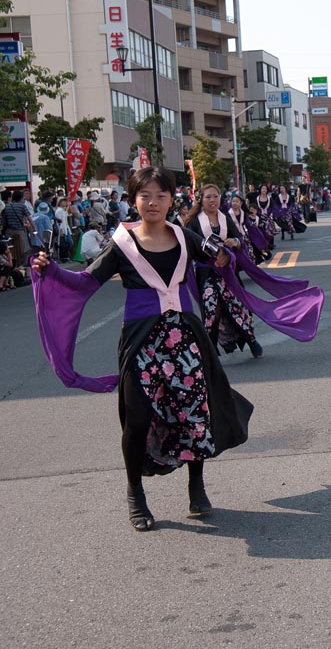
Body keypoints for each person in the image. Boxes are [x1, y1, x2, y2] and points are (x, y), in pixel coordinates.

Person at [30, 165, 255, 531]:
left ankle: (196, 485)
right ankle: (135, 493)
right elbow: (84, 283)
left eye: (160, 195)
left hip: (185, 337)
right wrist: (50, 271)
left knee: (193, 413)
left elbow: (219, 258)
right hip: (142, 341)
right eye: (145, 196)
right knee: (136, 420)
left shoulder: (184, 236)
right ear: (134, 200)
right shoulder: (121, 245)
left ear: (171, 199)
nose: (153, 202)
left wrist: (225, 255)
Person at [187, 184, 264, 357]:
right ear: (201, 199)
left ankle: (251, 340)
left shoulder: (224, 218)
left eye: (215, 196)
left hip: (227, 272)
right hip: (206, 272)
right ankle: (211, 348)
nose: (212, 200)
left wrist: (234, 242)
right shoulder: (193, 221)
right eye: (208, 197)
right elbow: (188, 246)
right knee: (211, 309)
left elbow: (239, 239)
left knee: (238, 306)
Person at [1, 190, 35, 266]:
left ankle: (13, 265)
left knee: (11, 249)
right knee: (21, 250)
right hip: (19, 231)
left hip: (8, 231)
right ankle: (21, 265)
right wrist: (34, 229)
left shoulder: (6, 206)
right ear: (21, 198)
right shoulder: (22, 206)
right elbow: (29, 218)